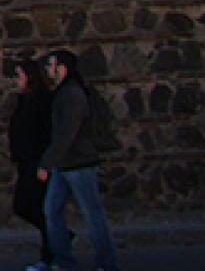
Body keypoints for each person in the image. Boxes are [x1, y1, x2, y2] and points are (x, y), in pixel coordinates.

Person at [36, 49, 120, 271]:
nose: (48, 69)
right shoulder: (63, 93)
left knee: (92, 215)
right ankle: (63, 261)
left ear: (62, 67)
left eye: (51, 64)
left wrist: (47, 162)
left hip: (79, 164)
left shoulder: (72, 94)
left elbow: (67, 133)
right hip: (65, 165)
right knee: (52, 211)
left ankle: (107, 263)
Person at [7, 56, 55, 271]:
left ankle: (52, 250)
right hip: (26, 161)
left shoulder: (41, 101)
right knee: (26, 207)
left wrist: (45, 163)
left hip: (37, 162)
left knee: (34, 207)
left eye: (19, 75)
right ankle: (57, 239)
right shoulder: (25, 100)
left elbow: (46, 133)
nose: (17, 80)